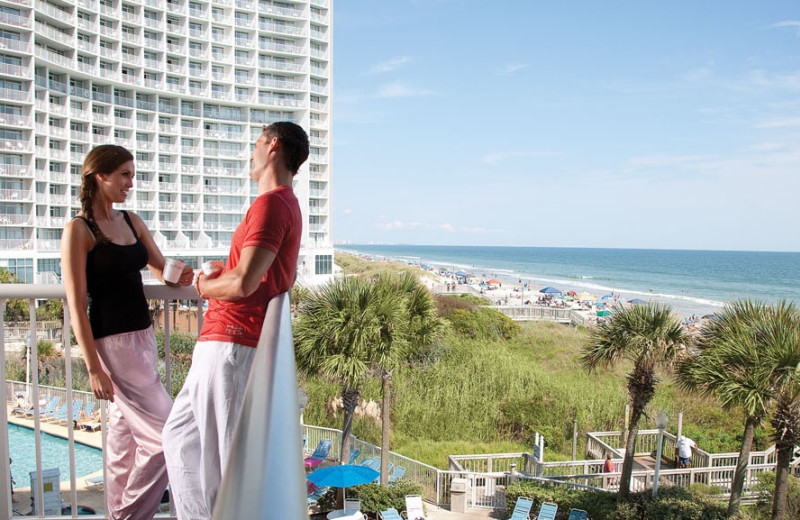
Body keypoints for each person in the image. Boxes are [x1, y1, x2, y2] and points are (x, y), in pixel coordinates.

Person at [162, 122, 308, 520]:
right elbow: (258, 273)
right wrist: (216, 276)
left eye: (255, 144)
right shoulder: (284, 204)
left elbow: (244, 282)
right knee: (179, 441)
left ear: (273, 145)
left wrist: (205, 286)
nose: (250, 153)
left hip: (233, 342)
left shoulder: (272, 203)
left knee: (228, 466)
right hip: (223, 342)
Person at [61, 144, 194, 520]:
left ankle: (117, 510)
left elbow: (159, 267)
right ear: (99, 176)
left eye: (132, 175)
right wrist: (92, 368)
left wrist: (181, 276)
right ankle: (128, 516)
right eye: (124, 174)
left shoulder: (132, 221)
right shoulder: (80, 230)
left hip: (143, 336)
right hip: (112, 345)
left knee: (122, 438)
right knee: (170, 434)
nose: (130, 183)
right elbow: (76, 305)